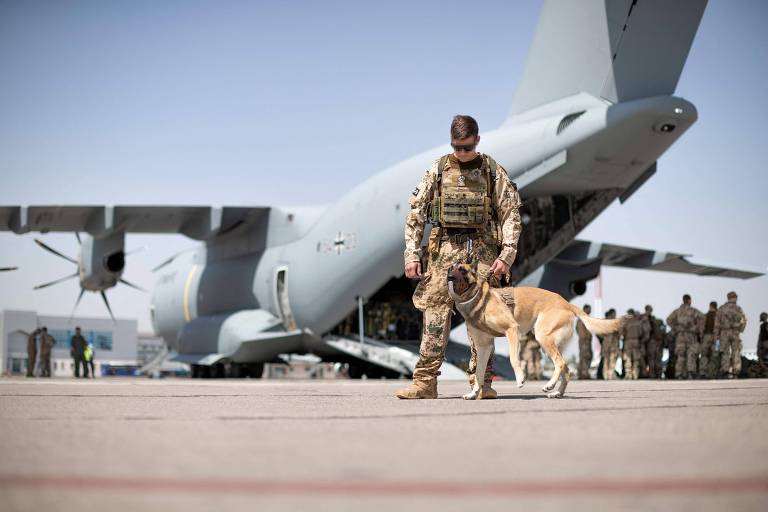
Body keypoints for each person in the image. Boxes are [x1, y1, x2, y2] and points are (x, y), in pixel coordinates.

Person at [397, 114, 522, 399]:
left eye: (466, 147)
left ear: (477, 140)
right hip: (444, 252)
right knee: (435, 313)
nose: (461, 153)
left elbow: (510, 214)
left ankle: (481, 383)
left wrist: (507, 255)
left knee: (484, 318)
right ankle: (425, 382)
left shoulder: (493, 171)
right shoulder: (438, 169)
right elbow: (416, 215)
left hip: (483, 250)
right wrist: (411, 254)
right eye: (456, 147)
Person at [666, 294, 704, 379]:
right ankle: (690, 372)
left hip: (681, 336)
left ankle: (679, 374)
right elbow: (702, 318)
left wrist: (676, 327)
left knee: (681, 355)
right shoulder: (693, 311)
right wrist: (697, 328)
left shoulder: (677, 311)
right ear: (689, 300)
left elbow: (668, 320)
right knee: (691, 354)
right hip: (691, 335)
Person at [716, 291, 747, 378]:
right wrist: (740, 329)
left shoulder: (722, 308)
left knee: (725, 352)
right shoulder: (738, 309)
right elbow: (744, 320)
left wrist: (717, 335)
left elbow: (717, 323)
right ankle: (735, 372)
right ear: (734, 298)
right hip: (735, 332)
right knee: (736, 352)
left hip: (724, 332)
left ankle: (725, 370)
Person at [621, 309, 643, 380]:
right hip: (636, 341)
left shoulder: (625, 322)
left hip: (628, 341)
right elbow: (640, 333)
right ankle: (635, 374)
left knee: (628, 358)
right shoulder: (638, 322)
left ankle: (628, 375)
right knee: (636, 358)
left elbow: (622, 332)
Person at [699, 301, 718, 379]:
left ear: (710, 306)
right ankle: (712, 373)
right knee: (715, 355)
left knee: (704, 355)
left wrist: (701, 337)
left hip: (706, 337)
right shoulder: (718, 316)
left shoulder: (705, 316)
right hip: (717, 338)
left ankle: (703, 372)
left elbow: (701, 328)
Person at [601, 309, 620, 380]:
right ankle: (611, 374)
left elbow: (599, 332)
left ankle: (606, 375)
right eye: (615, 313)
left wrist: (604, 337)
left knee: (606, 359)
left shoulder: (603, 321)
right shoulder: (614, 321)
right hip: (613, 343)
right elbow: (619, 333)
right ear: (612, 314)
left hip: (606, 342)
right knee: (612, 359)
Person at [576, 304, 593, 379]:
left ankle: (581, 373)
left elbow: (577, 329)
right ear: (585, 309)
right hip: (585, 340)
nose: (590, 311)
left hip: (582, 340)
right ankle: (584, 373)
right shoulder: (585, 318)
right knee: (586, 356)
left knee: (583, 356)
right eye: (589, 309)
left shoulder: (580, 319)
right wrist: (585, 336)